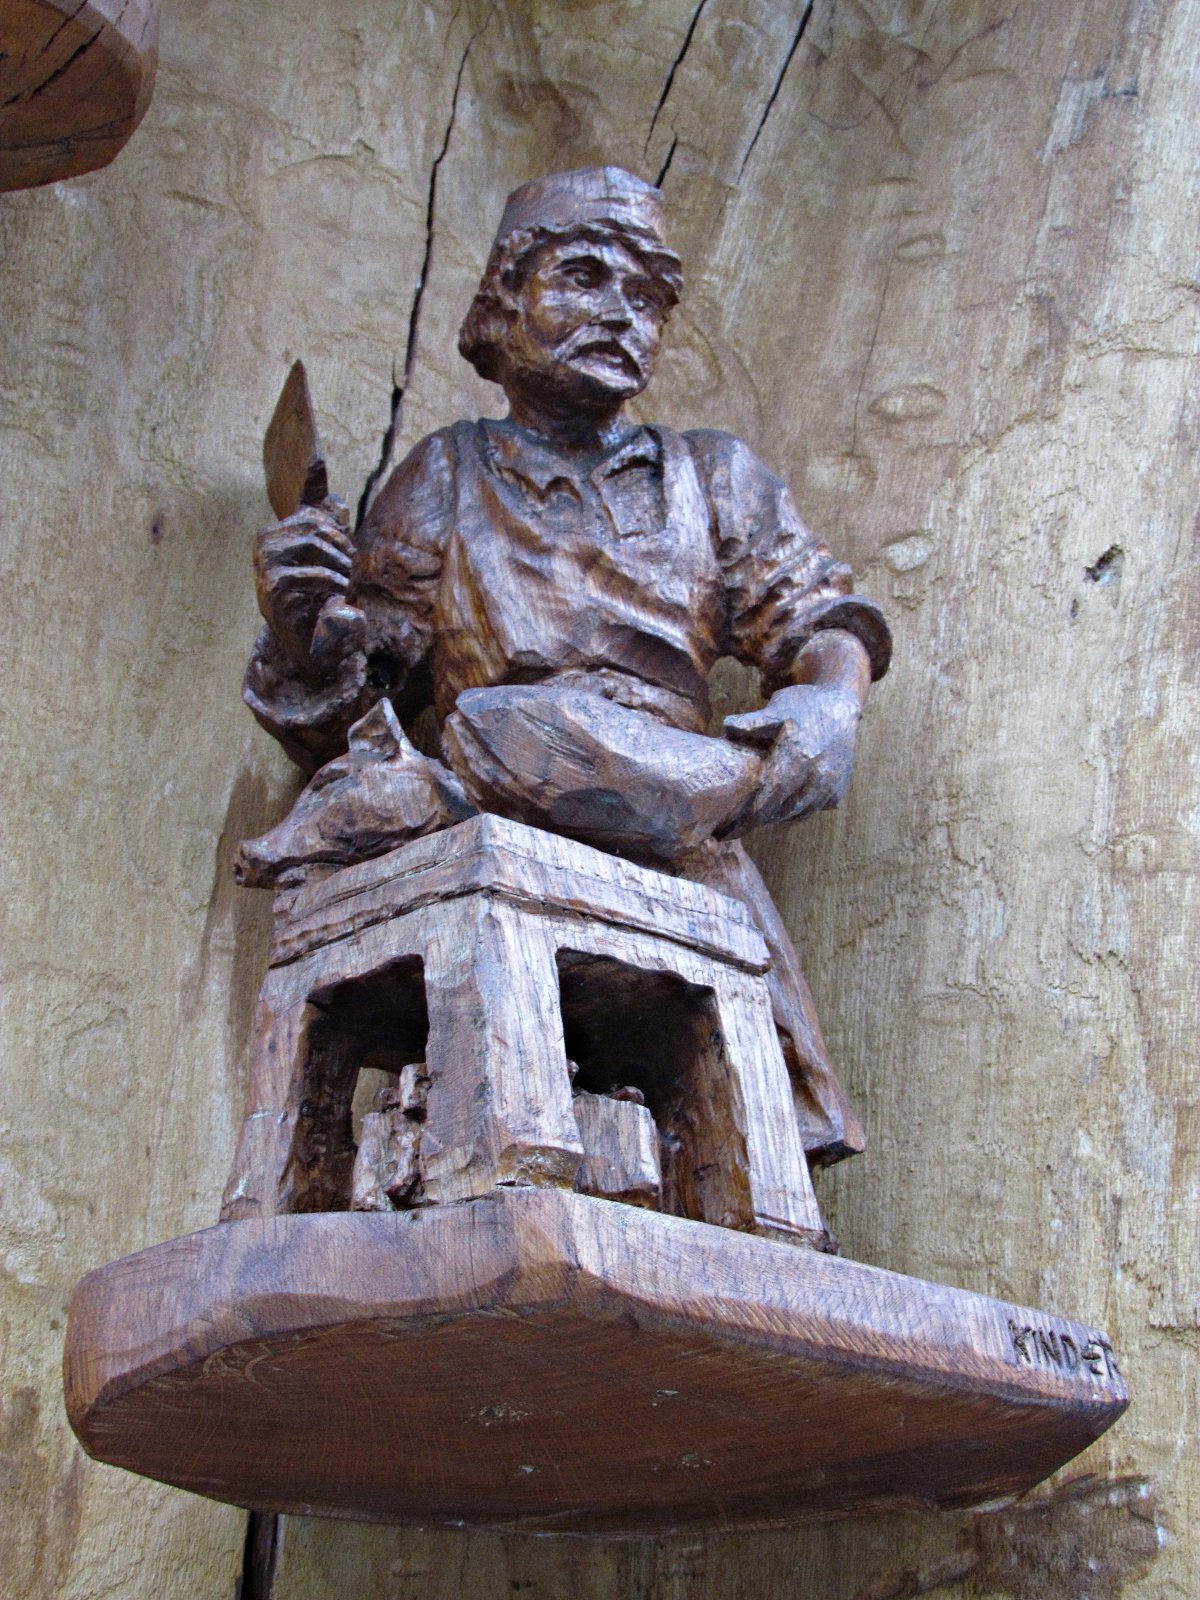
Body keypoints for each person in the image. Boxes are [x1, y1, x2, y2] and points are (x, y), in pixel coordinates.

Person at [241, 166, 891, 1171]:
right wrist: (302, 636)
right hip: (499, 784)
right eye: (584, 277)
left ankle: (695, 792)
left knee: (517, 734)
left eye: (648, 296)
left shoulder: (711, 474)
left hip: (649, 780)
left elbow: (817, 619)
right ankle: (701, 793)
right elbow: (364, 695)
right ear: (505, 302)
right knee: (487, 734)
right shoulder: (446, 472)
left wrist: (829, 707)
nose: (622, 315)